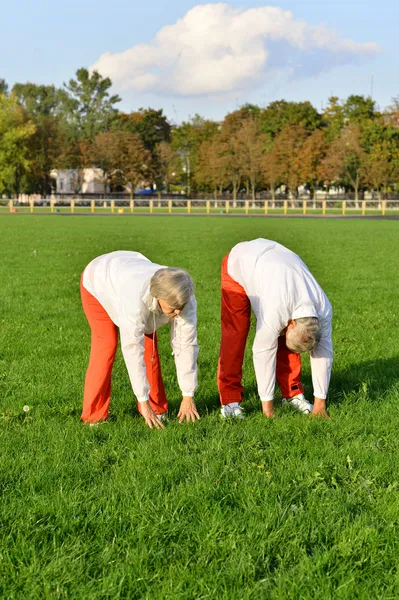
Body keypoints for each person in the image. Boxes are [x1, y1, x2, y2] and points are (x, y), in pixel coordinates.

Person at [80, 251, 200, 429]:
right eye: (173, 309)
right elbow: (132, 349)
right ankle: (94, 416)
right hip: (99, 279)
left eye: (180, 308)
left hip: (130, 266)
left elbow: (186, 345)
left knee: (150, 346)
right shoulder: (134, 302)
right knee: (106, 345)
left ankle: (157, 408)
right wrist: (142, 400)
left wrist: (188, 395)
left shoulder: (183, 298)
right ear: (159, 297)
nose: (177, 313)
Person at [217, 239, 333, 419]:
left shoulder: (323, 310)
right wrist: (268, 410)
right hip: (240, 263)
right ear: (291, 322)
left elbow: (323, 354)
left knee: (298, 337)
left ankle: (292, 392)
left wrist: (320, 404)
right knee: (235, 335)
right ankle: (230, 399)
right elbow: (263, 352)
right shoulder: (275, 310)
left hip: (276, 266)